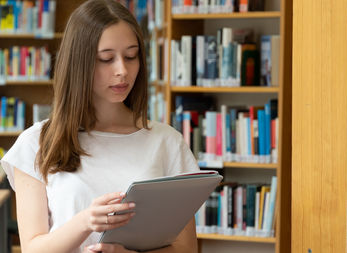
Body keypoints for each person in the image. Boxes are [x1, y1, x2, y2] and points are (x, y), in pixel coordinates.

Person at [0, 1, 199, 252]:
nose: (122, 71)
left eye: (131, 56)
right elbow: (32, 248)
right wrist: (86, 222)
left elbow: (187, 248)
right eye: (106, 59)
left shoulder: (167, 142)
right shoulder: (36, 143)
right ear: (79, 63)